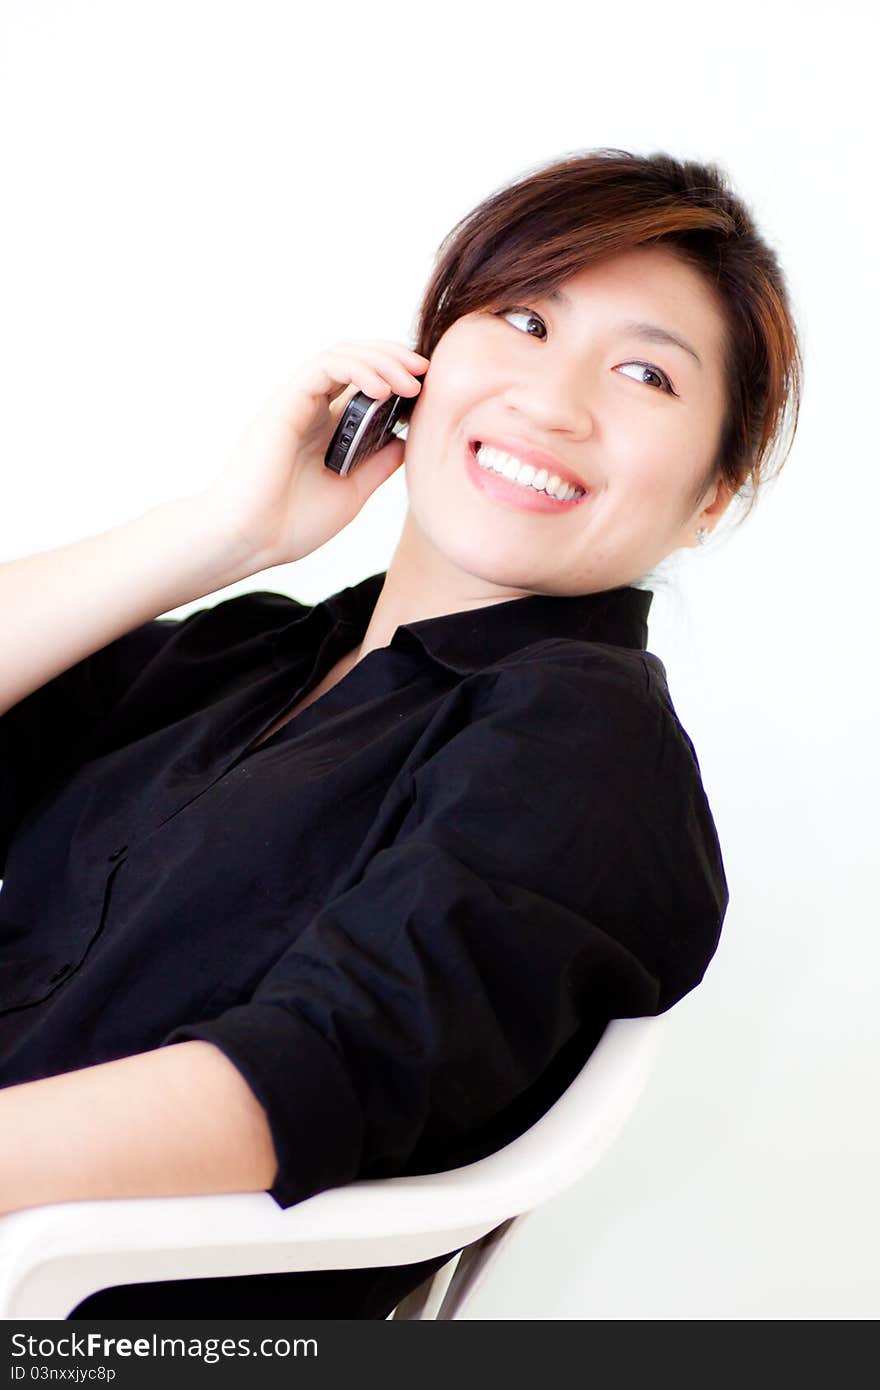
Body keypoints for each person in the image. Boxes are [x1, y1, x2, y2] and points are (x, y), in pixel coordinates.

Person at [0, 147, 802, 1319]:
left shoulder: (582, 739)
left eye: (643, 373)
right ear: (421, 367)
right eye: (523, 319)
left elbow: (308, 1073)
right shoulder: (252, 652)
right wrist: (219, 535)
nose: (551, 398)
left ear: (714, 495)